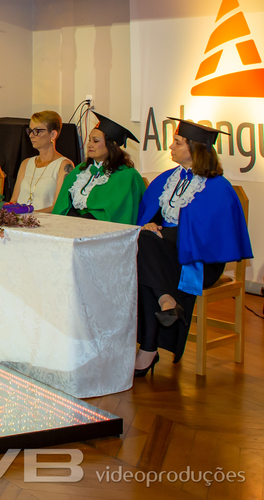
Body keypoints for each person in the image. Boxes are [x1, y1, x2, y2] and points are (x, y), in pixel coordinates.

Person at [133, 118, 253, 377]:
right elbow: (151, 214)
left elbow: (214, 237)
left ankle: (150, 341)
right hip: (164, 256)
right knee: (143, 242)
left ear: (195, 148)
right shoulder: (167, 179)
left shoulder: (218, 188)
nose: (171, 148)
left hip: (200, 263)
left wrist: (163, 233)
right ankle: (164, 306)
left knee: (146, 262)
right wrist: (151, 226)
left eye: (177, 143)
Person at [51, 111, 145, 224]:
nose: (89, 144)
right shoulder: (80, 170)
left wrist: (81, 222)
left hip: (100, 231)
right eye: (89, 140)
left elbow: (116, 213)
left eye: (95, 141)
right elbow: (62, 204)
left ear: (112, 144)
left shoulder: (127, 176)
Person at [9, 110, 74, 211]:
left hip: (46, 223)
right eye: (30, 130)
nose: (31, 135)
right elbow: (14, 200)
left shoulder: (64, 165)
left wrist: (28, 214)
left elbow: (57, 207)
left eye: (37, 131)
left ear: (53, 134)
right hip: (21, 221)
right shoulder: (26, 163)